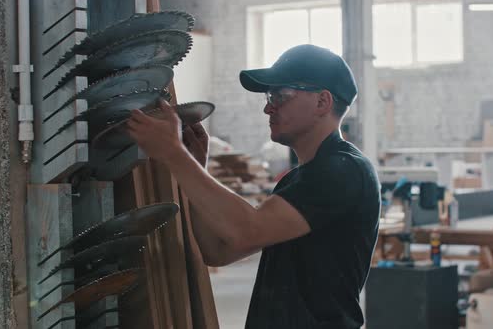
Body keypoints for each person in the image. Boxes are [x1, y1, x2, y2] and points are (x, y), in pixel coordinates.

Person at [127, 44, 380, 329]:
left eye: (280, 96)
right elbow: (219, 250)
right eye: (269, 96)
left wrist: (175, 154)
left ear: (322, 102)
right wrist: (194, 165)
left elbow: (245, 231)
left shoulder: (343, 170)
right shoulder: (297, 181)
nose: (267, 107)